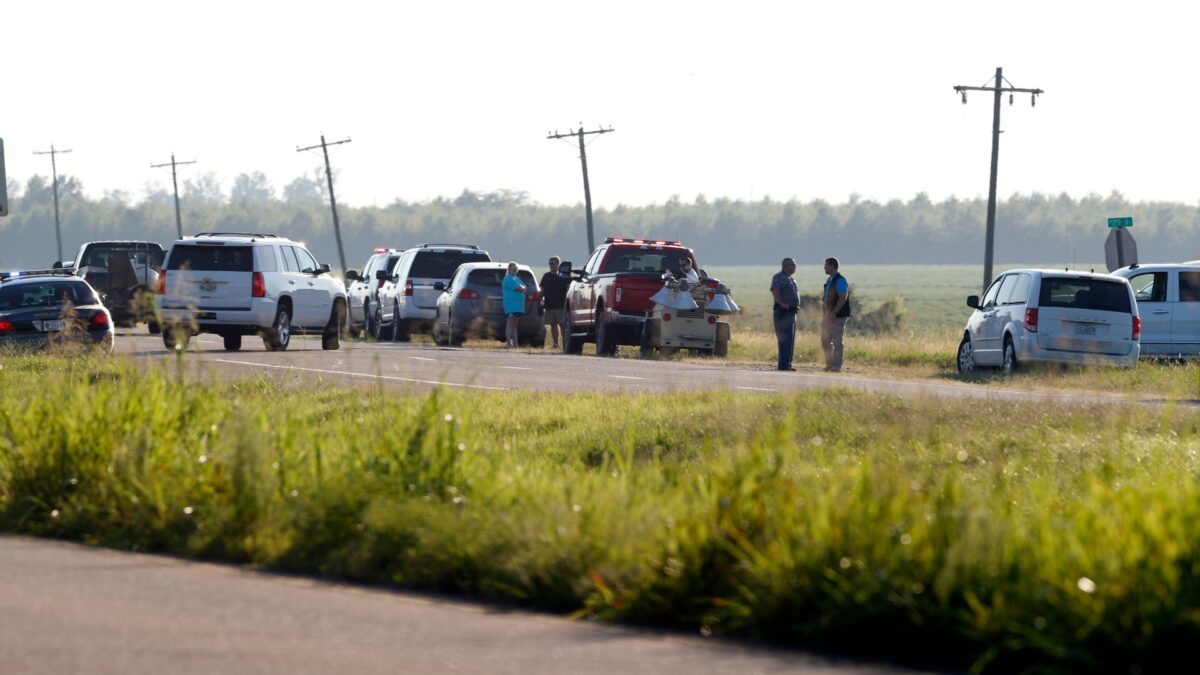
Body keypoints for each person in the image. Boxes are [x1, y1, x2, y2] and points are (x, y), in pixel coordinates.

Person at [821, 257, 851, 372]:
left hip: (837, 316)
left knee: (837, 340)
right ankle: (830, 364)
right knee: (825, 340)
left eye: (826, 265)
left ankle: (836, 366)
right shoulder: (830, 280)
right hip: (828, 316)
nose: (824, 267)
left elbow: (843, 296)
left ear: (832, 266)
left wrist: (834, 312)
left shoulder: (840, 280)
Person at [770, 257, 799, 371]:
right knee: (784, 338)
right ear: (786, 266)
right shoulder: (779, 277)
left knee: (790, 339)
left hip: (791, 312)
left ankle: (787, 364)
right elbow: (775, 291)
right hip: (783, 312)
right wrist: (782, 304)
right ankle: (783, 365)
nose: (794, 267)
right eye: (793, 265)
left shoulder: (790, 279)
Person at [540, 256, 569, 349]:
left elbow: (568, 288)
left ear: (558, 264)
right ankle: (556, 343)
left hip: (561, 304)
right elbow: (542, 290)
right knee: (553, 325)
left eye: (554, 263)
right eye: (550, 264)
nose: (552, 265)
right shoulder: (546, 276)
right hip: (549, 304)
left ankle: (565, 342)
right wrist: (539, 300)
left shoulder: (563, 276)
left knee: (562, 324)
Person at [502, 262, 527, 348]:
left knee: (515, 325)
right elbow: (519, 288)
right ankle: (509, 343)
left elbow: (524, 287)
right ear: (509, 269)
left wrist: (522, 288)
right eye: (512, 269)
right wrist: (521, 288)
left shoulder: (517, 278)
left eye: (516, 269)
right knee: (510, 324)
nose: (514, 271)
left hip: (518, 306)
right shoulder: (508, 278)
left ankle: (515, 344)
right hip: (511, 305)